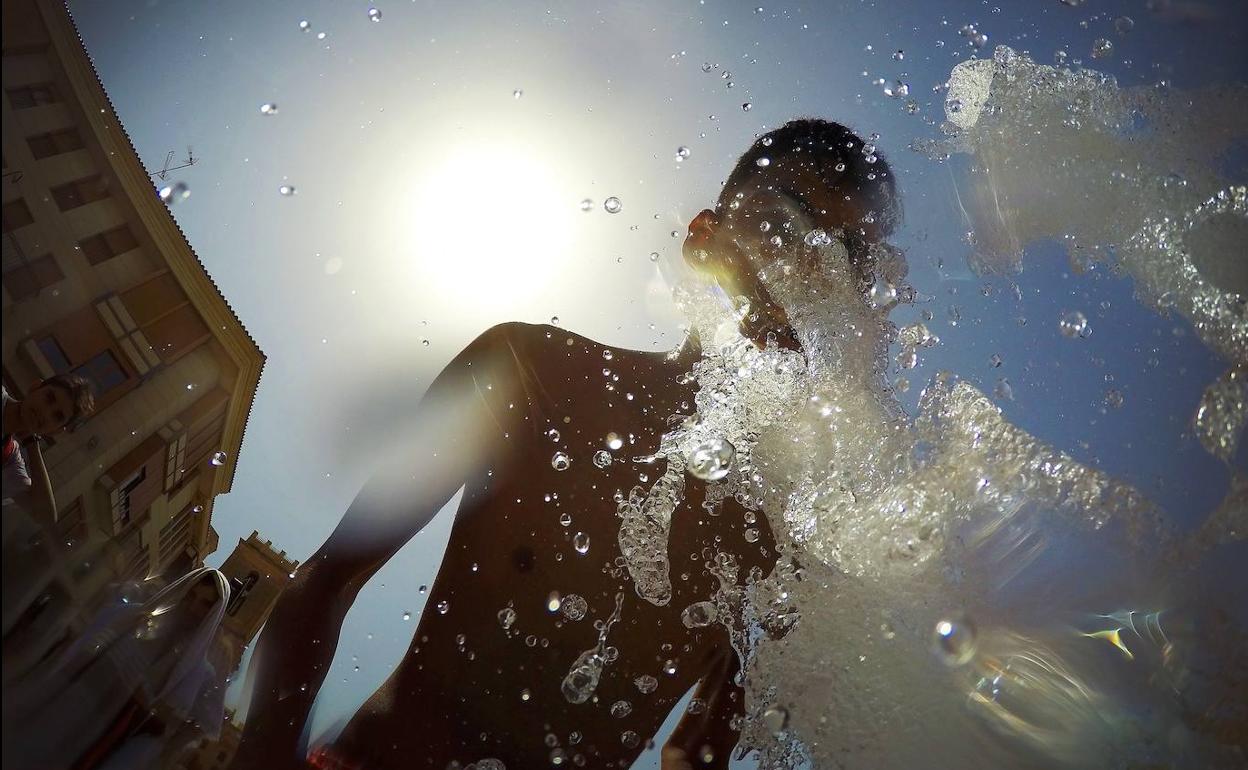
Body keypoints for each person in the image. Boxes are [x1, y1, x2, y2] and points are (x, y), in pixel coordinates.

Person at [232, 118, 900, 769]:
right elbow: (328, 580)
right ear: (706, 238)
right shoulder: (528, 373)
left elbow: (697, 754)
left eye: (847, 255)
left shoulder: (789, 542)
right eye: (784, 223)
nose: (805, 272)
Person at [2, 567, 233, 770]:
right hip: (57, 706)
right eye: (190, 596)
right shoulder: (130, 618)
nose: (192, 607)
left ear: (212, 615)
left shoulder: (198, 674)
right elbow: (76, 655)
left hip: (99, 743)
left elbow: (167, 734)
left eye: (204, 604)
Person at [1, 374, 95, 516]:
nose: (45, 412)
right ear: (35, 387)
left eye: (57, 416)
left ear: (56, 431)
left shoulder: (9, 457)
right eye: (49, 398)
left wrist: (32, 443)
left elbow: (45, 515)